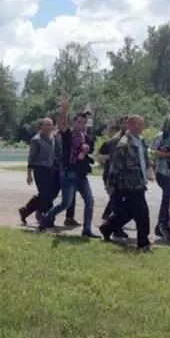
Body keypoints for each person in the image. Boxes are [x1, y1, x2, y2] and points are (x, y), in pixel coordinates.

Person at [39, 97, 99, 238]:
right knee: (65, 204)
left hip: (81, 174)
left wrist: (86, 150)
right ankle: (45, 219)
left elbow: (90, 151)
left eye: (84, 122)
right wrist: (64, 109)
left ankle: (87, 229)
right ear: (74, 122)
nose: (81, 125)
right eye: (79, 122)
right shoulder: (68, 135)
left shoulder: (87, 137)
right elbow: (62, 124)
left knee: (89, 200)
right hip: (68, 174)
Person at [100, 115, 155, 250]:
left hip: (140, 181)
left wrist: (149, 168)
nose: (141, 127)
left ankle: (107, 227)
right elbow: (116, 166)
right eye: (138, 124)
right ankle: (143, 242)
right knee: (142, 212)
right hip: (129, 183)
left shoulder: (141, 141)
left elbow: (144, 158)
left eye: (142, 124)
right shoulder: (124, 144)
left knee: (128, 211)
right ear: (130, 125)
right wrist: (111, 184)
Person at [18, 118, 60, 225]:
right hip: (40, 169)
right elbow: (31, 157)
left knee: (47, 194)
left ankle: (25, 211)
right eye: (46, 125)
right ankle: (48, 220)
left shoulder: (52, 137)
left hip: (50, 169)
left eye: (50, 125)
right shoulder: (36, 140)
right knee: (46, 195)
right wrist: (29, 174)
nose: (48, 127)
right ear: (41, 126)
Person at [150, 113, 170, 241]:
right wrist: (167, 155)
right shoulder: (162, 136)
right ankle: (164, 225)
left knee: (168, 198)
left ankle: (160, 227)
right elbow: (151, 151)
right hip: (162, 171)